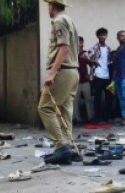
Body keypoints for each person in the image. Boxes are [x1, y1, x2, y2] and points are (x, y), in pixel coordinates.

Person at [37, 0, 79, 159]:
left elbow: (64, 47)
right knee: (65, 109)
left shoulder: (59, 21)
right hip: (73, 71)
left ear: (52, 6)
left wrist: (52, 72)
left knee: (45, 108)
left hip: (63, 71)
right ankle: (69, 146)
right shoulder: (70, 20)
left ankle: (61, 146)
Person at [91, 28, 114, 122]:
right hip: (98, 75)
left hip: (107, 75)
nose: (103, 37)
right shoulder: (95, 47)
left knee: (109, 97)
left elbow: (109, 60)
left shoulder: (108, 48)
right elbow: (85, 56)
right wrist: (94, 62)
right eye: (101, 35)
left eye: (104, 35)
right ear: (98, 36)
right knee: (98, 97)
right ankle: (97, 118)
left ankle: (107, 117)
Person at [75, 36, 95, 123]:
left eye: (81, 42)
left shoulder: (85, 54)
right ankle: (76, 119)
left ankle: (90, 117)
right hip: (75, 82)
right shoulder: (72, 55)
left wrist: (90, 75)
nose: (80, 44)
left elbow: (93, 65)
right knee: (75, 101)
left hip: (85, 81)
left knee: (88, 100)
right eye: (78, 43)